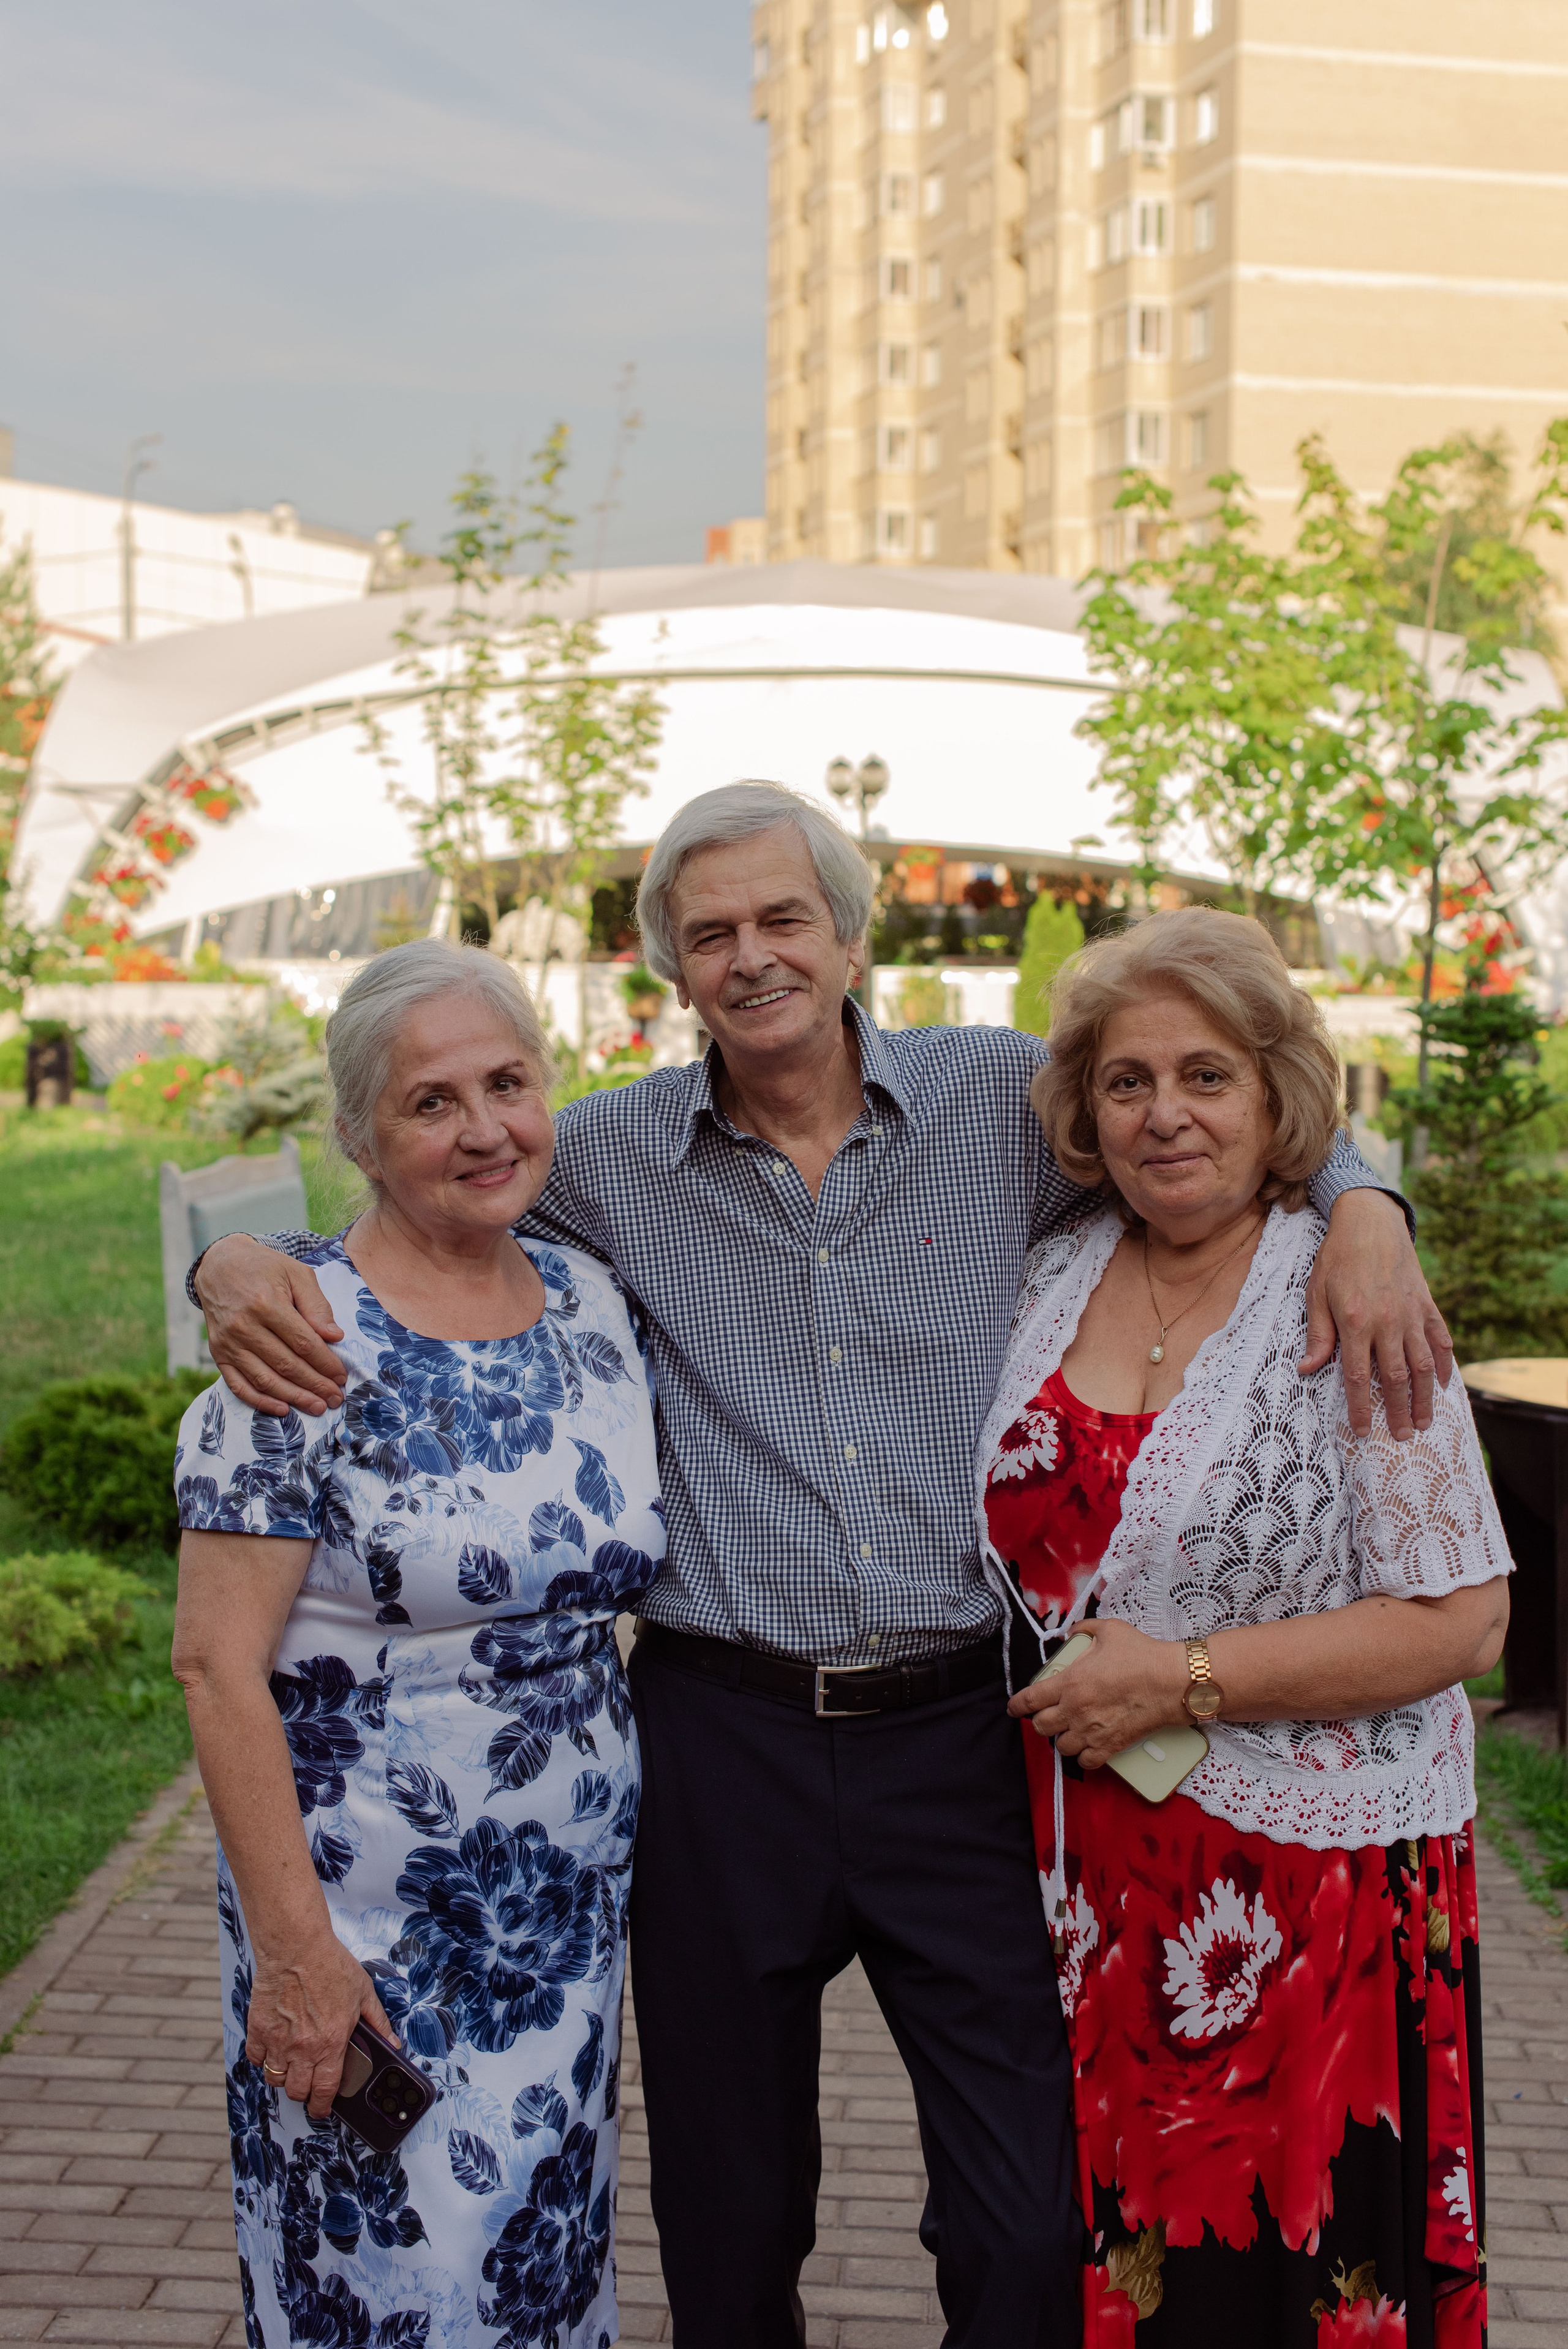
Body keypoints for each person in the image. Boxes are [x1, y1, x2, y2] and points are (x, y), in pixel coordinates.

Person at [190, 783, 1450, 2347]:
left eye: (784, 917)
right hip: (722, 1747)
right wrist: (231, 1263)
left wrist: (1363, 1203)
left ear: (851, 937)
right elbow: (418, 1188)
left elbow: (1206, 1100)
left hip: (963, 1733)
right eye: (710, 932)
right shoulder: (602, 1152)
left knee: (1021, 2216)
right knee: (729, 2220)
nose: (752, 956)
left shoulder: (999, 1101)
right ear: (673, 970)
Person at [982, 908, 1509, 2345]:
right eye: (1126, 1080)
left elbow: (1464, 1619)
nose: (1164, 1113)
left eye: (1205, 1075)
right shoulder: (1049, 1273)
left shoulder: (1348, 1292)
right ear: (1084, 1112)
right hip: (1091, 1892)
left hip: (1307, 1902)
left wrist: (1184, 1678)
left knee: (1283, 2279)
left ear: (1275, 1101)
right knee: (1118, 2276)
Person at [171, 943, 664, 2349]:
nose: (484, 1128)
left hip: (560, 1930)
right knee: (393, 2290)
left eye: (507, 1083)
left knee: (540, 2274)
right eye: (430, 1102)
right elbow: (214, 1667)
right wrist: (297, 1955)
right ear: (358, 1136)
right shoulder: (297, 1338)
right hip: (365, 1935)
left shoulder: (590, 1304)